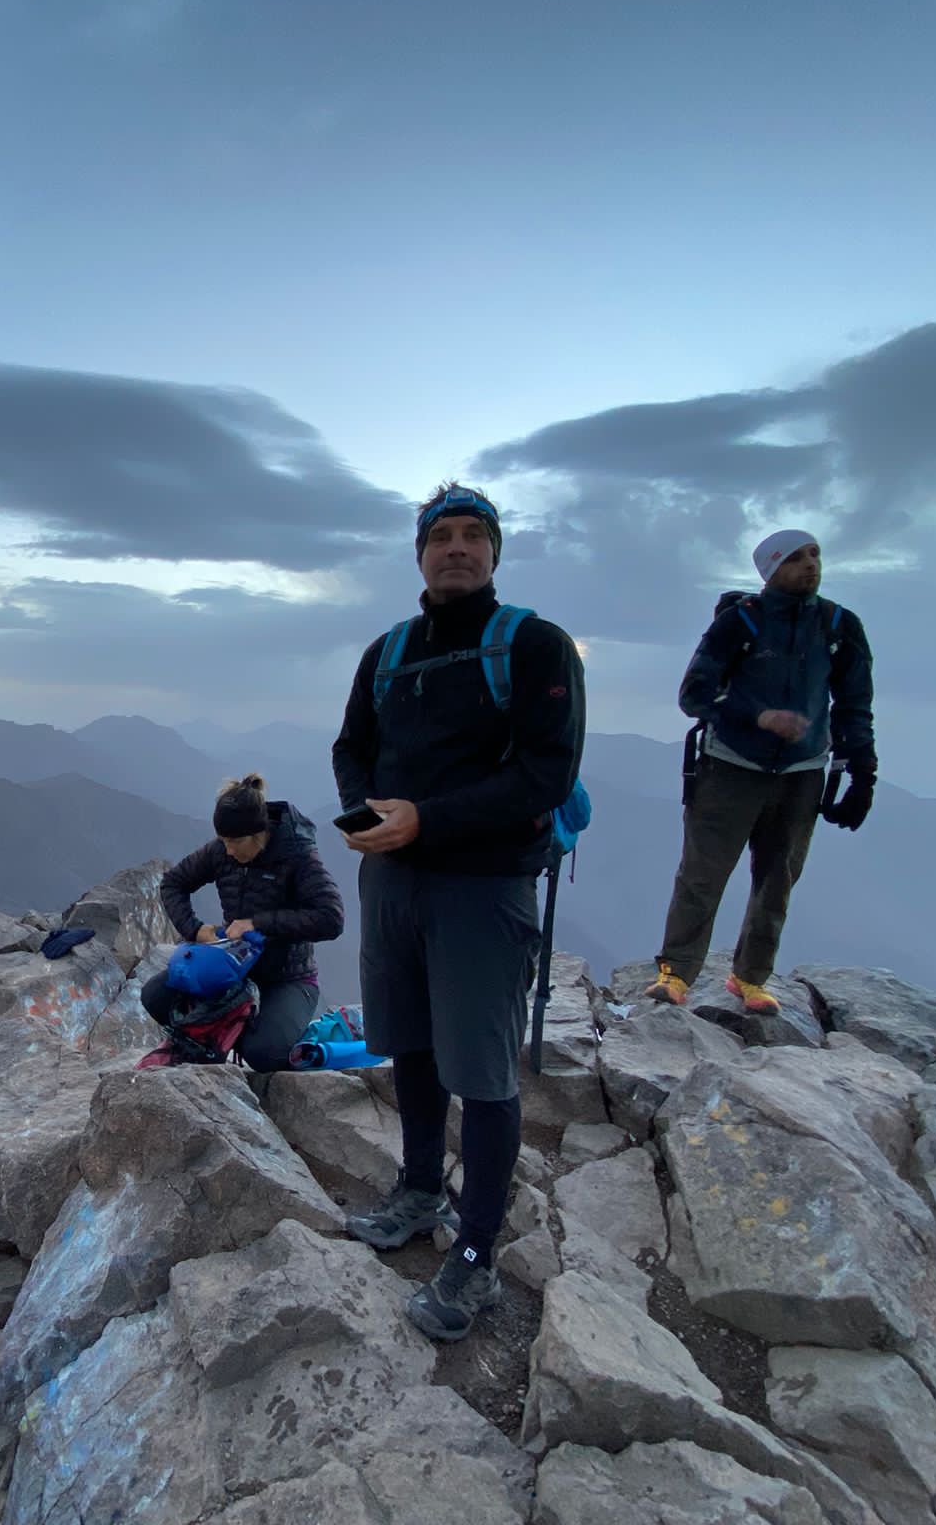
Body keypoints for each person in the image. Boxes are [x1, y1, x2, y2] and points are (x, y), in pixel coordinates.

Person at [332, 481, 586, 1342]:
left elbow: (546, 774)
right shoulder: (389, 652)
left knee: (481, 1073)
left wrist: (425, 821)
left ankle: (475, 1255)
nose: (457, 548)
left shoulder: (536, 646)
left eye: (474, 535)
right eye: (441, 535)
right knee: (409, 1042)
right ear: (420, 554)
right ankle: (417, 1190)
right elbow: (351, 746)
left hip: (483, 888)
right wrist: (366, 816)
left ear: (494, 553)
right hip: (394, 882)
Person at [645, 529, 877, 1012]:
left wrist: (862, 775)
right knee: (703, 873)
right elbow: (694, 694)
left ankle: (751, 978)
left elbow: (855, 704)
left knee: (778, 878)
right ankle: (676, 973)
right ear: (770, 569)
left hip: (802, 772)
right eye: (795, 558)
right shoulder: (740, 622)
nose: (810, 564)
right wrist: (759, 717)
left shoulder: (839, 626)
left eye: (814, 554)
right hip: (730, 766)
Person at [148, 774, 346, 1071]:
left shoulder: (297, 854)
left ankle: (302, 1036)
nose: (228, 850)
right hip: (233, 969)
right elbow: (173, 883)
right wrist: (195, 929)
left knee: (264, 1054)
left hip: (289, 977)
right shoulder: (222, 850)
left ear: (258, 833)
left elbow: (331, 918)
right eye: (224, 841)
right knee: (156, 996)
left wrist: (258, 923)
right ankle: (219, 1036)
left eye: (235, 842)